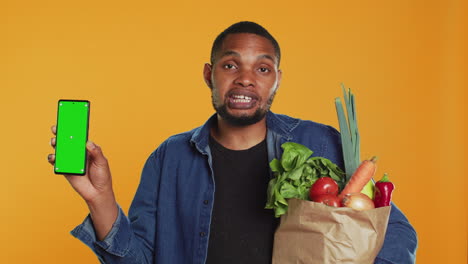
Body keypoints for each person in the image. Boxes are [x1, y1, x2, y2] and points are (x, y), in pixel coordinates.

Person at [47, 21, 417, 263]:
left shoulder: (320, 143)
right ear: (209, 75)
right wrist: (100, 199)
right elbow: (138, 259)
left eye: (262, 68)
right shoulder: (169, 158)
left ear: (277, 80)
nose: (245, 79)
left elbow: (397, 234)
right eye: (230, 65)